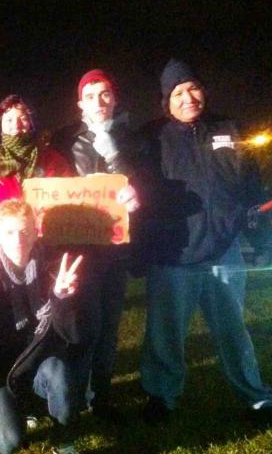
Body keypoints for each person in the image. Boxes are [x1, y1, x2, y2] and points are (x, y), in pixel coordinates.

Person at [136, 58, 272, 424]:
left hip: (224, 252)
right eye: (177, 92)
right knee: (165, 334)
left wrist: (261, 233)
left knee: (233, 330)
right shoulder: (151, 138)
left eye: (192, 87)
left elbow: (252, 187)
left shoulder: (228, 128)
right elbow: (136, 196)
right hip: (172, 256)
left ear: (203, 91)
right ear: (166, 100)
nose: (187, 97)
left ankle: (255, 397)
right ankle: (162, 396)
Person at [0, 198, 90, 454]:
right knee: (10, 441)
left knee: (58, 370)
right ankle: (4, 413)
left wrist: (63, 299)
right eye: (9, 232)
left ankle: (64, 439)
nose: (18, 239)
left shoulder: (53, 274)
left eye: (24, 231)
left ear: (35, 233)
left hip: (39, 368)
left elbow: (75, 335)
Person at [52, 69, 139, 422]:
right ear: (79, 103)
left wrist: (116, 156)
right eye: (90, 96)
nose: (98, 102)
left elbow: (142, 179)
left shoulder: (132, 137)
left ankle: (100, 396)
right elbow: (51, 183)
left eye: (105, 94)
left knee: (109, 327)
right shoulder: (64, 139)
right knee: (81, 325)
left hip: (116, 249)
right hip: (79, 249)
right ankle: (69, 394)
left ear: (114, 98)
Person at [0, 94, 71, 267]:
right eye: (8, 120)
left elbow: (72, 198)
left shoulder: (53, 160)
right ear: (0, 127)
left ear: (32, 123)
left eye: (23, 119)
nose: (16, 126)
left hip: (45, 254)